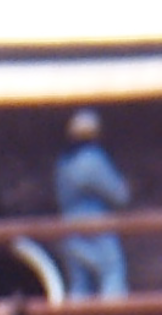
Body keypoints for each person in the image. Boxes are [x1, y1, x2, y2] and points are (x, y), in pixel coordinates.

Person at [54, 108, 129, 300]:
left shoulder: (63, 162)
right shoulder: (92, 159)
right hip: (95, 225)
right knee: (112, 271)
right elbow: (118, 194)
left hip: (69, 225)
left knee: (80, 283)